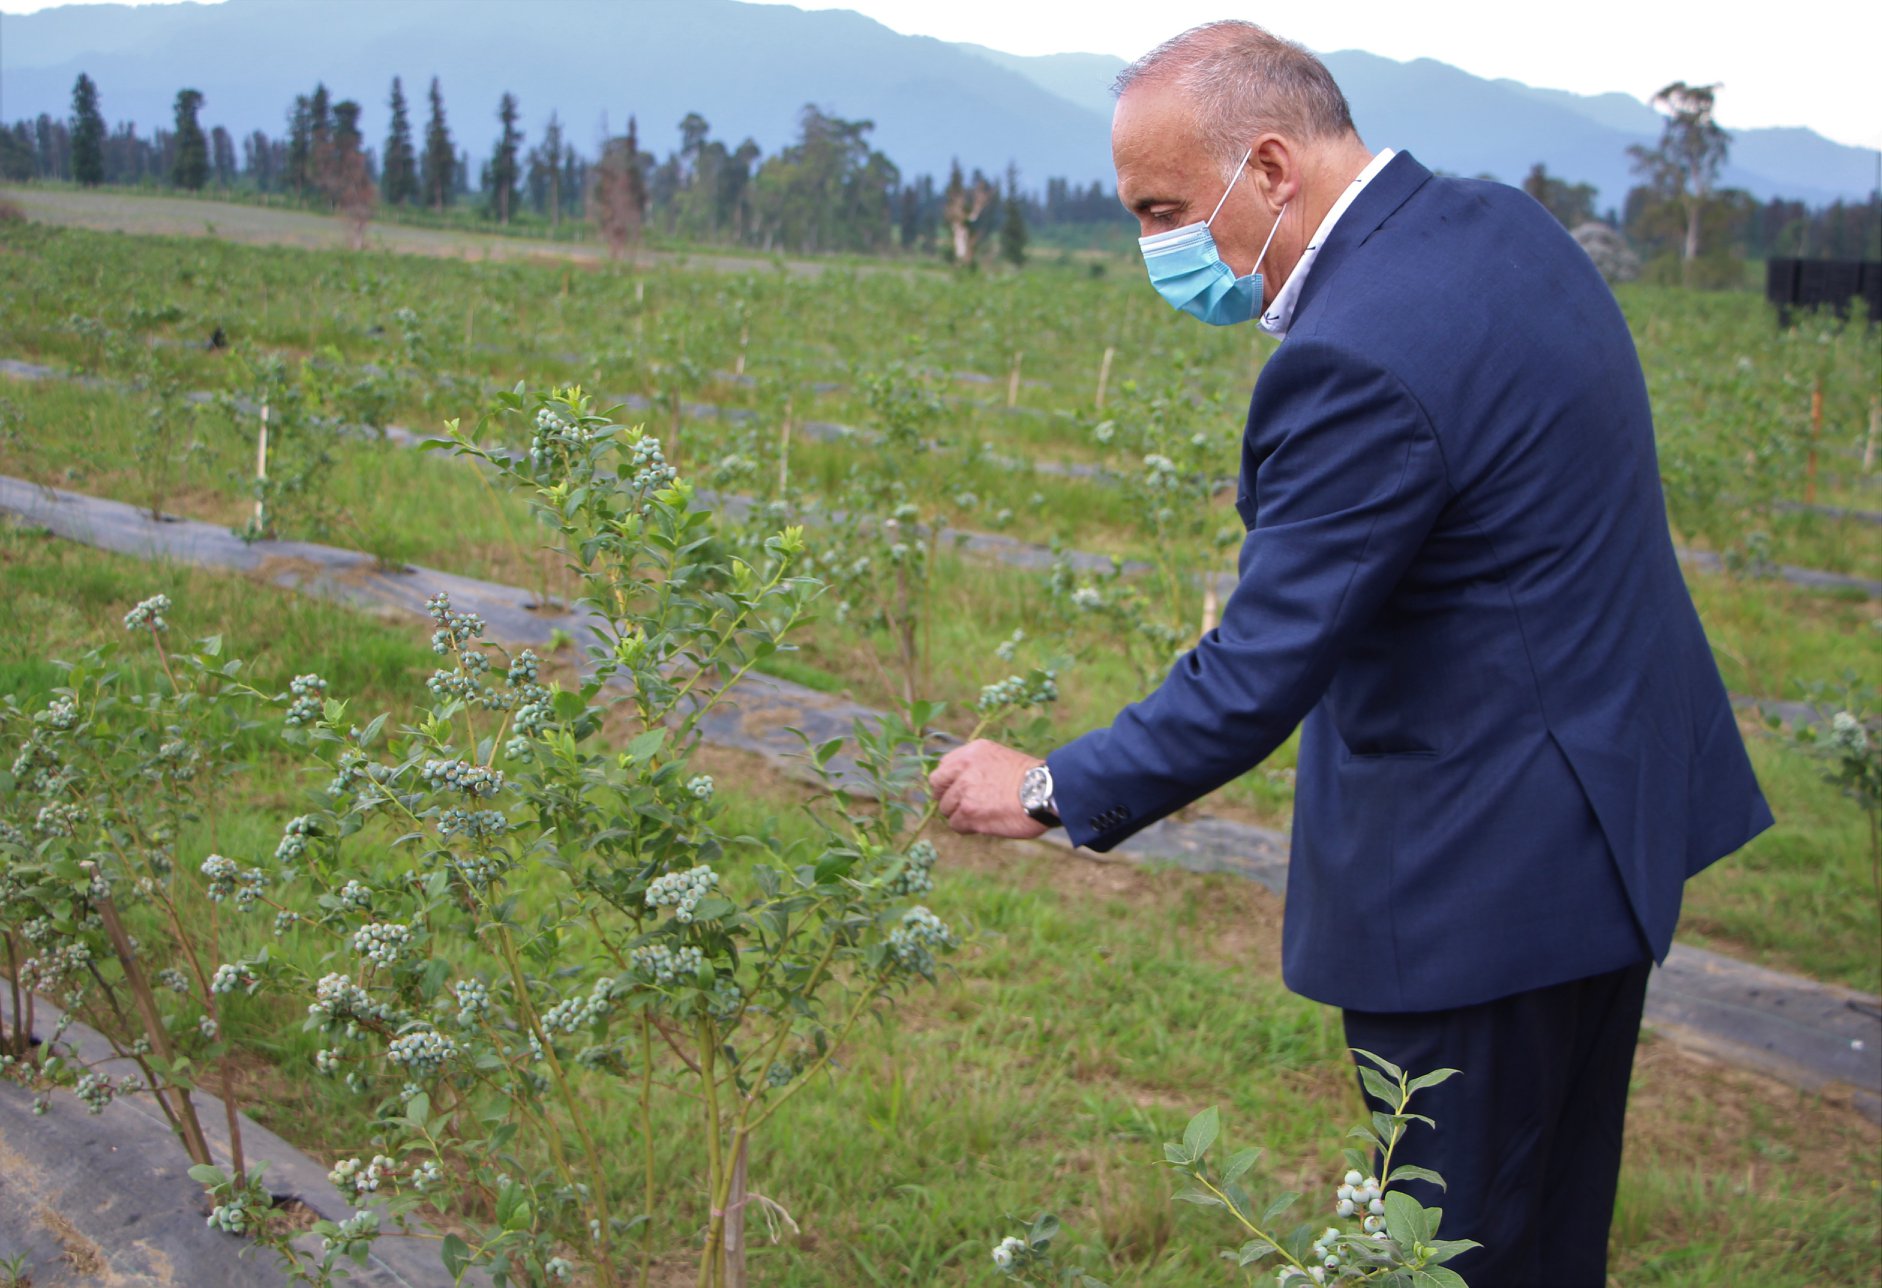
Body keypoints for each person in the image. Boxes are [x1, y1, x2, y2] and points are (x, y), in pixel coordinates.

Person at [928, 20, 1771, 1287]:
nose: (1154, 247)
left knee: (1456, 1250)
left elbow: (1258, 667)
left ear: (1270, 168)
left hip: (1479, 888)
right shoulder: (1502, 227)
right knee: (1549, 1233)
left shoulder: (1355, 356)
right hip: (1611, 827)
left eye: (1163, 210)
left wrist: (1048, 786)